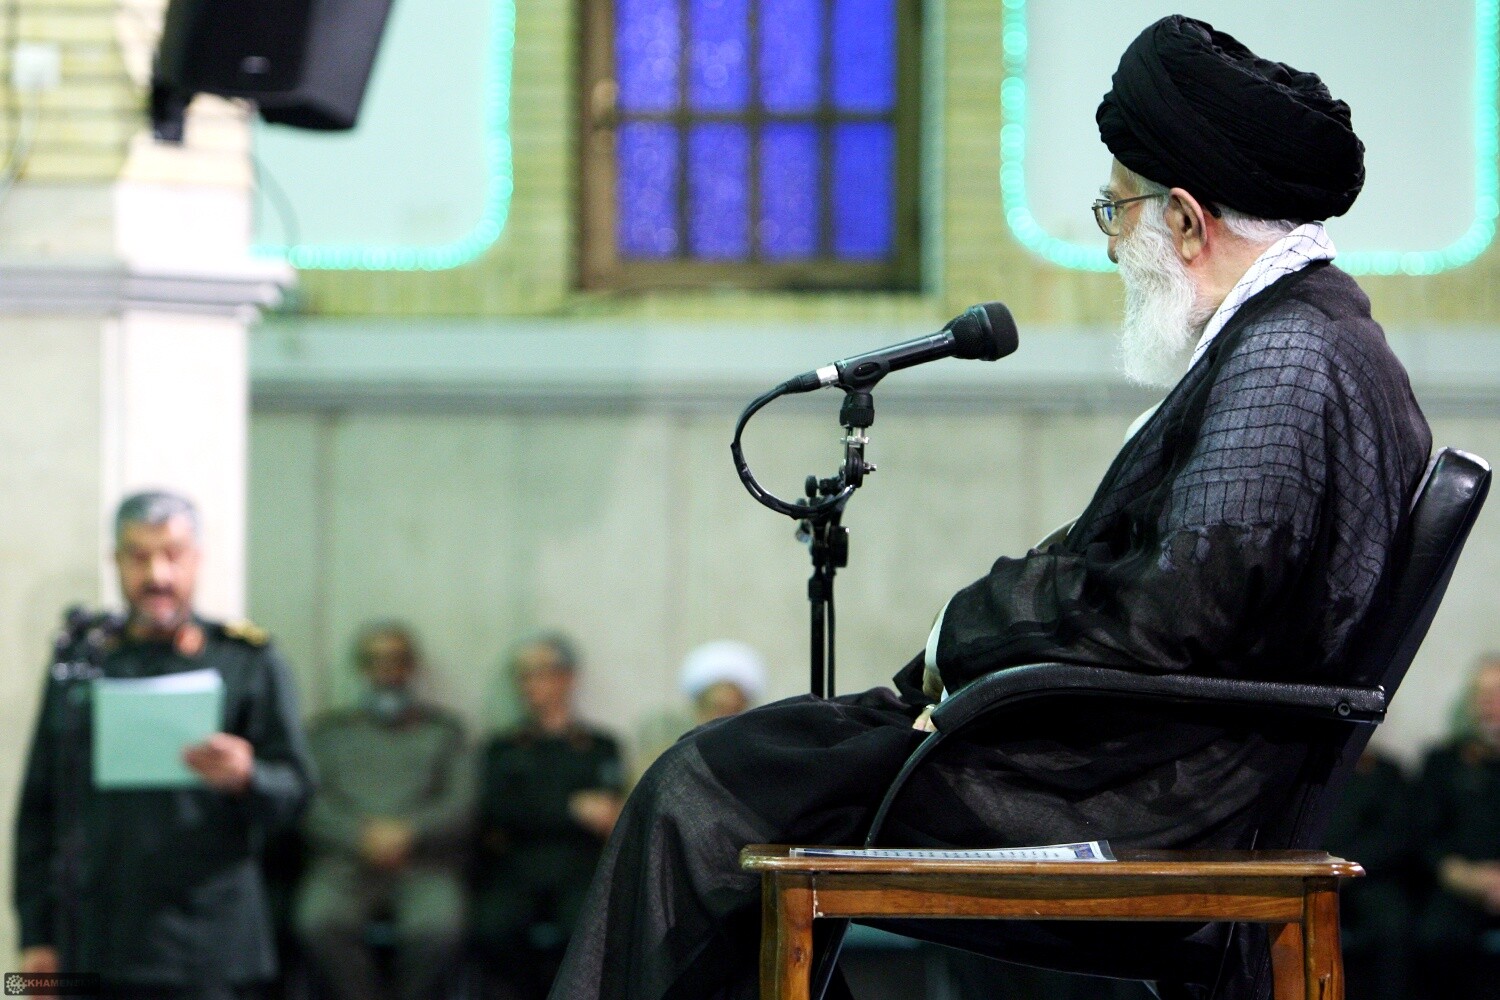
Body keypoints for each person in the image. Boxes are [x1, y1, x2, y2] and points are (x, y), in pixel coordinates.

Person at [547, 15, 1432, 1000]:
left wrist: (964, 649)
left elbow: (1170, 613)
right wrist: (971, 655)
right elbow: (1170, 593)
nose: (1111, 246)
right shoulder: (1302, 340)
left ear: (1187, 222)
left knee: (705, 789)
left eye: (1116, 211)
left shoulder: (1289, 359)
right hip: (1154, 762)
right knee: (756, 765)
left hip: (1146, 793)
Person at [14, 490, 314, 1000]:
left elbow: (298, 793)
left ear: (197, 559)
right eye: (139, 556)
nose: (158, 574)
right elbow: (40, 810)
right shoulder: (81, 662)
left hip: (209, 944)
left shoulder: (247, 660)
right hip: (93, 939)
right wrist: (35, 937)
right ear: (115, 561)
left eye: (173, 554)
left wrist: (248, 777)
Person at [293, 623, 474, 1000]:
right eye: (375, 660)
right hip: (344, 862)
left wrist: (409, 832)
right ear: (361, 668)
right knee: (318, 922)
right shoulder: (327, 733)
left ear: (412, 666)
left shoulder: (445, 732)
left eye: (396, 659)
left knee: (437, 928)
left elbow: (461, 803)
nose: (387, 670)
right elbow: (309, 802)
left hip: (423, 862)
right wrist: (358, 835)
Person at [473, 635, 625, 999]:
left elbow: (607, 811)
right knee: (492, 928)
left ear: (566, 678)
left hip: (579, 865)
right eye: (522, 674)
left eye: (540, 672)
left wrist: (543, 807)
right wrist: (571, 807)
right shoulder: (503, 747)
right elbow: (498, 810)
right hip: (517, 863)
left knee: (593, 933)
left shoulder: (600, 745)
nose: (529, 684)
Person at [1411, 656, 1500, 1000]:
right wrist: (1471, 879)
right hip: (1459, 887)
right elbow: (1425, 839)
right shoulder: (1442, 762)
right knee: (1433, 938)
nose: (1491, 706)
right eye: (1484, 696)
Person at [633, 640, 767, 782]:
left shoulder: (753, 750)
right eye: (718, 707)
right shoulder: (665, 743)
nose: (723, 717)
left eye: (733, 709)